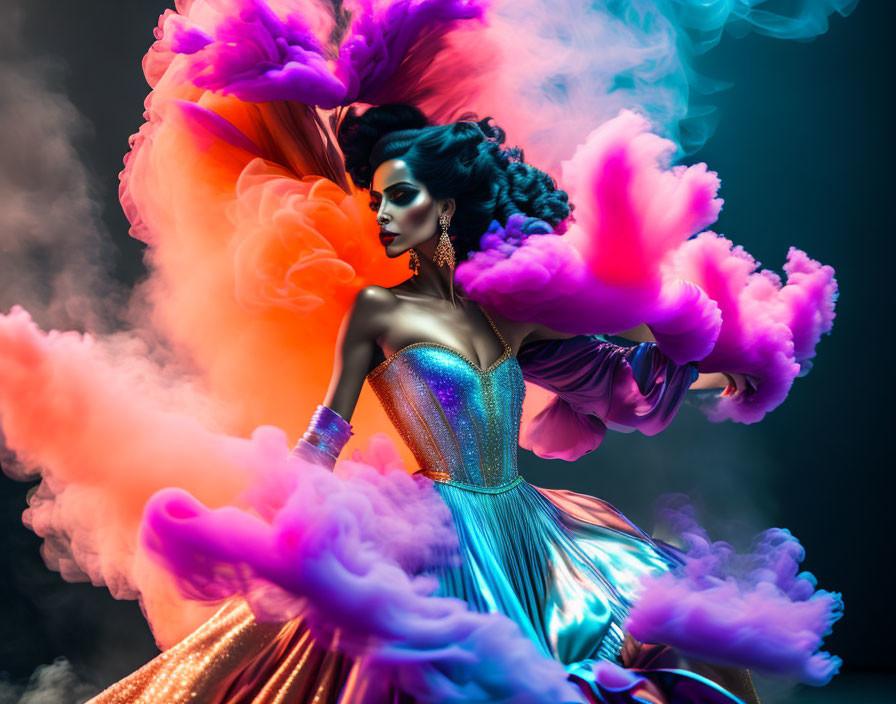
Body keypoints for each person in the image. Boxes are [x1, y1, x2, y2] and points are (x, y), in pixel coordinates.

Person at [0, 2, 843, 703]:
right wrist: (284, 524)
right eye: (381, 197)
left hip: (527, 525)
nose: (384, 212)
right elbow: (325, 436)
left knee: (622, 641)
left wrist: (720, 366)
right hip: (435, 533)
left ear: (443, 212)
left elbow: (618, 380)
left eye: (399, 198)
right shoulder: (377, 312)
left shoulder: (509, 315)